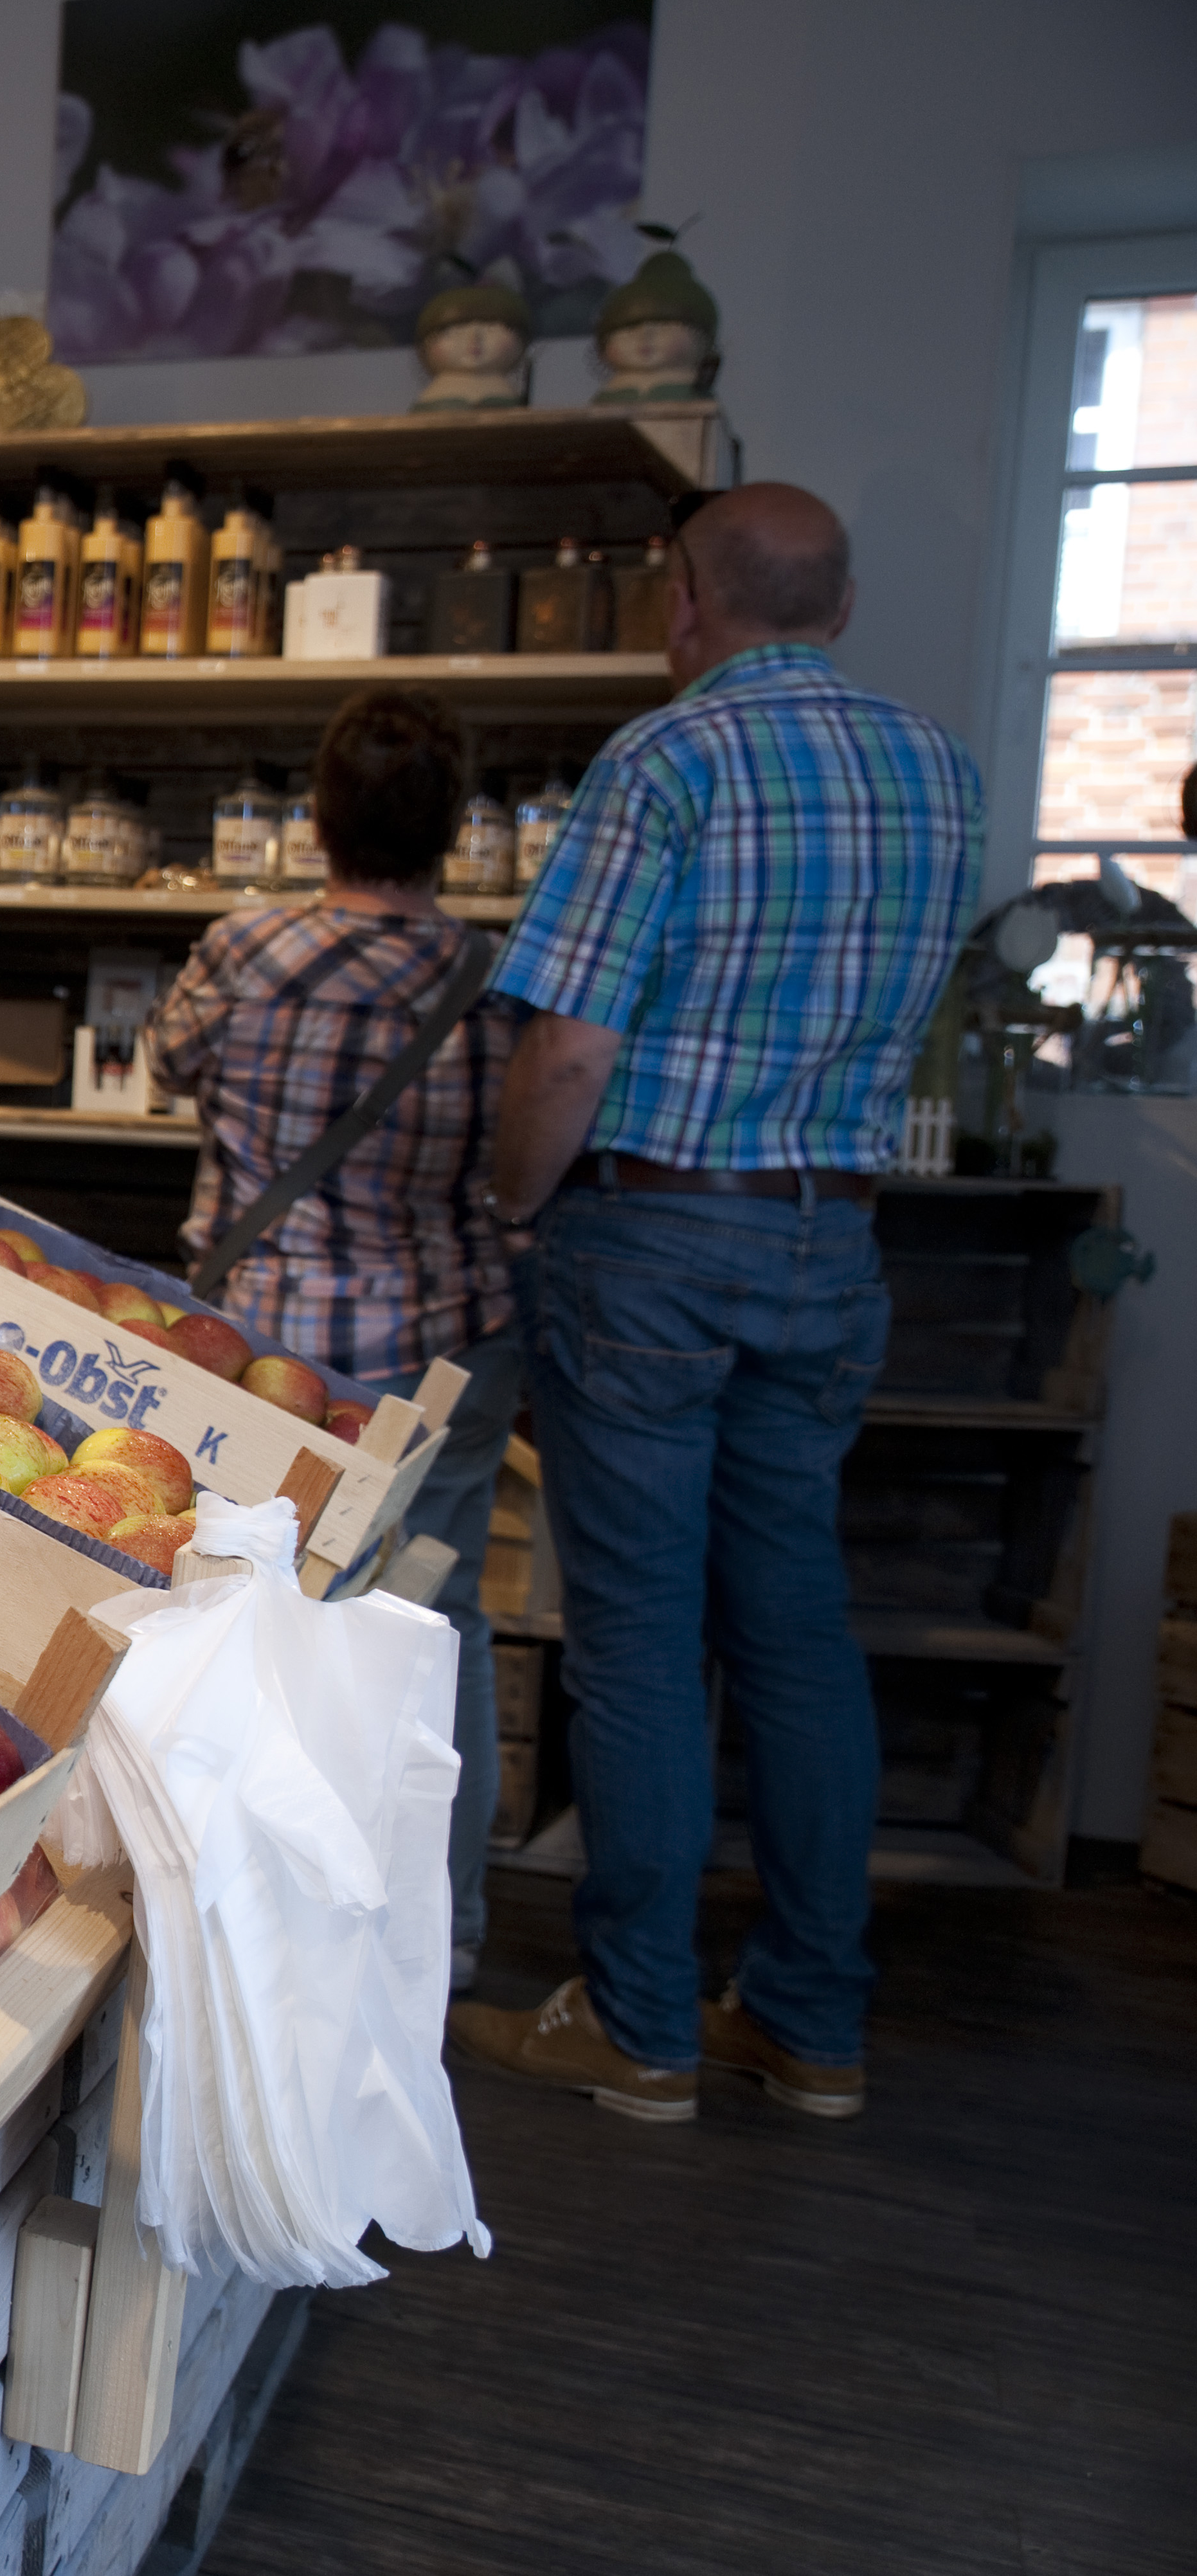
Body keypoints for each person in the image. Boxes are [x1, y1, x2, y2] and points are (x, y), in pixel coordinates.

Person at [452, 483, 980, 2124]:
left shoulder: (667, 759)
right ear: (840, 598)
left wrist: (511, 1197)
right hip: (830, 1245)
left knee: (636, 1645)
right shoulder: (940, 772)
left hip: (656, 1242)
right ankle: (812, 2025)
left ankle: (644, 2027)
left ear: (687, 596)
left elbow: (573, 1049)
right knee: (798, 1634)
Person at [152, 687, 526, 1991]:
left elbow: (167, 1063)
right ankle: (444, 1921)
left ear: (316, 815)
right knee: (436, 1627)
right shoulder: (496, 976)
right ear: (456, 830)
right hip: (439, 1351)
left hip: (265, 1348)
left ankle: (235, 1904)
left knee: (244, 1617)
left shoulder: (247, 947)